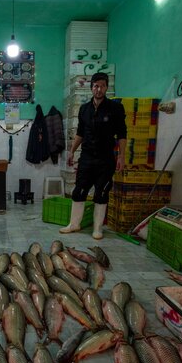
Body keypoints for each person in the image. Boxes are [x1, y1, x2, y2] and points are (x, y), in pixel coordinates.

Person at [60, 72, 127, 239]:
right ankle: (74, 224)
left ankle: (98, 228)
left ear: (106, 87)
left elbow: (122, 134)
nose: (99, 89)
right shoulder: (84, 109)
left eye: (102, 86)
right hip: (87, 158)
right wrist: (72, 151)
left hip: (106, 159)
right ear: (91, 87)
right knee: (79, 191)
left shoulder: (116, 108)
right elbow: (80, 133)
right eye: (96, 86)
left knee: (101, 193)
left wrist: (121, 156)